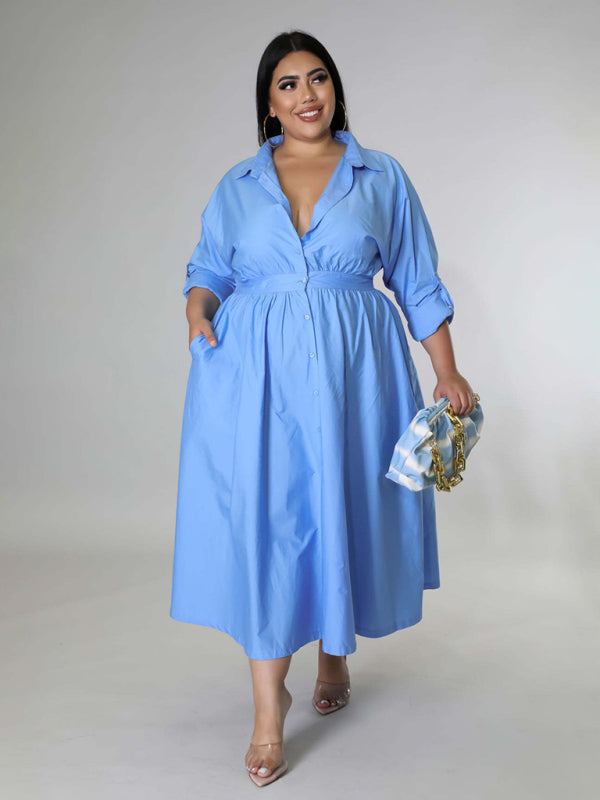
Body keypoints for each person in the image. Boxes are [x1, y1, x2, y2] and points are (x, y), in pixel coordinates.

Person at [170, 30, 476, 786]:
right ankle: (267, 713)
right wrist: (198, 308)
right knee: (271, 520)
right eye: (288, 84)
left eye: (317, 79)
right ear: (268, 104)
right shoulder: (238, 183)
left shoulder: (381, 175)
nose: (306, 95)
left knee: (345, 500)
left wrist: (446, 370)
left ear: (335, 89)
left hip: (356, 370)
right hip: (258, 377)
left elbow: (415, 278)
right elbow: (209, 267)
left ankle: (335, 654)